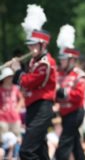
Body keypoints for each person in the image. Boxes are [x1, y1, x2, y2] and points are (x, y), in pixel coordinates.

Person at [11, 29, 56, 159]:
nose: (31, 48)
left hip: (42, 107)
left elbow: (29, 82)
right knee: (40, 149)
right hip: (32, 107)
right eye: (29, 45)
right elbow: (22, 84)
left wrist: (18, 71)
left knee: (26, 150)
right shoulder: (33, 61)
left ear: (43, 45)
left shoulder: (46, 63)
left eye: (34, 45)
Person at [54, 47, 85, 160]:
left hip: (76, 112)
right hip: (64, 113)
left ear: (72, 60)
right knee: (75, 143)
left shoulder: (79, 75)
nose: (61, 62)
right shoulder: (59, 74)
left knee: (64, 142)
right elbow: (55, 94)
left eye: (64, 59)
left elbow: (79, 96)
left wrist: (63, 93)